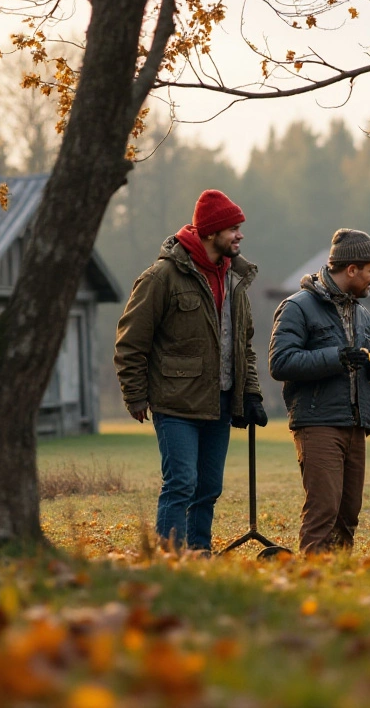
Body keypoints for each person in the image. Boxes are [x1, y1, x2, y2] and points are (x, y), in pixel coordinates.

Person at [113, 189, 266, 553]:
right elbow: (130, 342)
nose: (240, 235)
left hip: (222, 401)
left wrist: (252, 393)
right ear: (211, 232)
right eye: (233, 228)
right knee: (181, 483)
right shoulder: (161, 277)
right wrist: (134, 394)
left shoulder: (234, 280)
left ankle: (199, 554)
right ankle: (169, 558)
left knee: (209, 487)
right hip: (175, 403)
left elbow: (243, 344)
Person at [269, 229, 370, 553]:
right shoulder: (297, 307)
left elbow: (362, 355)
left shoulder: (361, 313)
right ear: (351, 270)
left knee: (348, 514)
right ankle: (313, 583)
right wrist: (336, 358)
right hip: (317, 422)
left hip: (356, 423)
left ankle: (339, 581)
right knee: (323, 511)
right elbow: (280, 362)